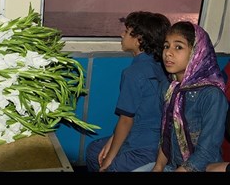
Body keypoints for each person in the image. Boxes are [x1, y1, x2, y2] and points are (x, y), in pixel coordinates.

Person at [86, 11, 171, 172]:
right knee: (95, 150)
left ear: (139, 40)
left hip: (142, 147)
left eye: (126, 32)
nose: (121, 34)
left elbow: (126, 120)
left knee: (104, 161)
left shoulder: (133, 74)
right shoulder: (163, 67)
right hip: (160, 142)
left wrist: (109, 159)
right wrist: (112, 141)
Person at [149, 21, 229, 172]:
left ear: (197, 53)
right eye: (166, 46)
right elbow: (165, 135)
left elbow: (207, 151)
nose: (168, 53)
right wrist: (158, 166)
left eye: (178, 47)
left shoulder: (211, 95)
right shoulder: (168, 88)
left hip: (202, 167)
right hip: (172, 165)